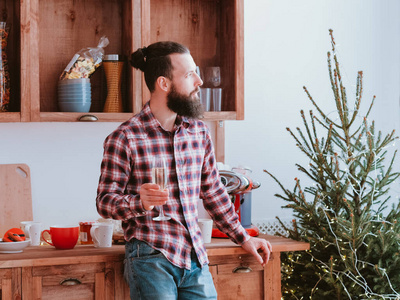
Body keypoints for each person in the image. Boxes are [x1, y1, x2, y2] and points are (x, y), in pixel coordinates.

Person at [96, 41, 272, 300]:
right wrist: (139, 203)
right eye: (190, 74)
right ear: (164, 83)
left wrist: (243, 237)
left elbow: (213, 191)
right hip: (151, 257)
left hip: (195, 258)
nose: (199, 81)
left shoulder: (199, 132)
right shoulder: (125, 137)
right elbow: (104, 202)